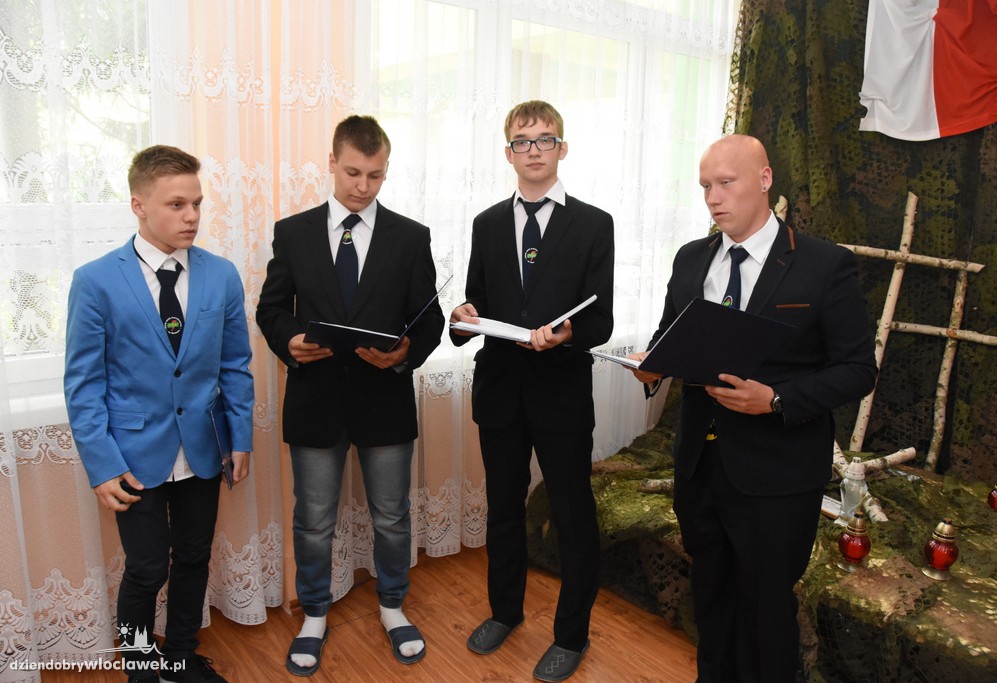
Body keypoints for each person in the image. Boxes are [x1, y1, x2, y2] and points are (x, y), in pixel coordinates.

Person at [629, 134, 877, 681]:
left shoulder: (824, 264)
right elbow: (669, 338)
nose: (713, 198)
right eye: (705, 186)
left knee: (766, 610)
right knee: (710, 594)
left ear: (764, 180)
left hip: (777, 473)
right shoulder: (691, 259)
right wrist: (652, 365)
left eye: (726, 183)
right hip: (699, 465)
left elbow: (859, 369)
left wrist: (777, 400)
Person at [256, 115, 444, 676]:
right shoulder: (292, 232)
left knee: (392, 516)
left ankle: (392, 606)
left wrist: (405, 352)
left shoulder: (410, 237)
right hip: (314, 401)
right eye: (354, 173)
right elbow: (271, 309)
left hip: (384, 400)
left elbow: (430, 319)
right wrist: (289, 341)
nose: (363, 186)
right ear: (333, 163)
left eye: (376, 175)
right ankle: (314, 613)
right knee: (313, 519)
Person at [64, 145, 254, 683]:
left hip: (203, 446)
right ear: (139, 205)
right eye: (176, 205)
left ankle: (183, 655)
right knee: (147, 568)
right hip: (132, 454)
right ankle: (142, 669)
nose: (191, 216)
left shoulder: (221, 275)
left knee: (193, 556)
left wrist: (240, 438)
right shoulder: (96, 280)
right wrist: (102, 465)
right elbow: (83, 383)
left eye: (197, 204)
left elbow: (235, 365)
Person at [449, 100, 614, 682]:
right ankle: (505, 612)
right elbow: (476, 305)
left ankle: (571, 635)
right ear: (509, 153)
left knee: (572, 515)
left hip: (562, 394)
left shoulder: (594, 224)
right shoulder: (487, 223)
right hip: (500, 394)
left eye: (545, 139)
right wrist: (461, 317)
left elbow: (601, 321)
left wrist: (567, 335)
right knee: (502, 511)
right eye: (522, 141)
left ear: (562, 149)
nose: (534, 149)